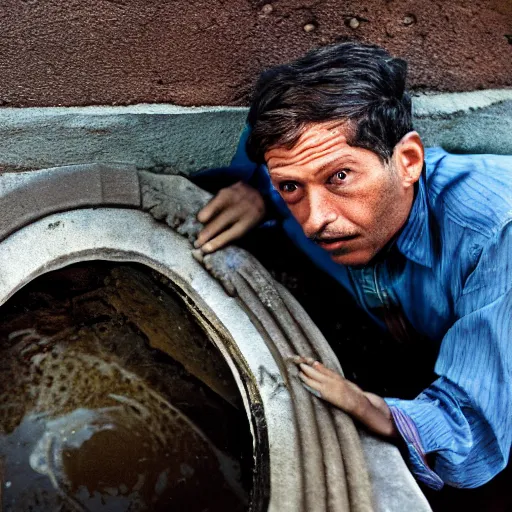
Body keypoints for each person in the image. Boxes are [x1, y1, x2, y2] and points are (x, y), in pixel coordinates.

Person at [192, 42, 512, 492]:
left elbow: (477, 433)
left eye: (340, 177)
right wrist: (259, 192)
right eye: (291, 187)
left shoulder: (495, 234)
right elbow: (282, 164)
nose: (316, 219)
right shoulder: (297, 179)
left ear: (408, 161)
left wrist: (377, 412)